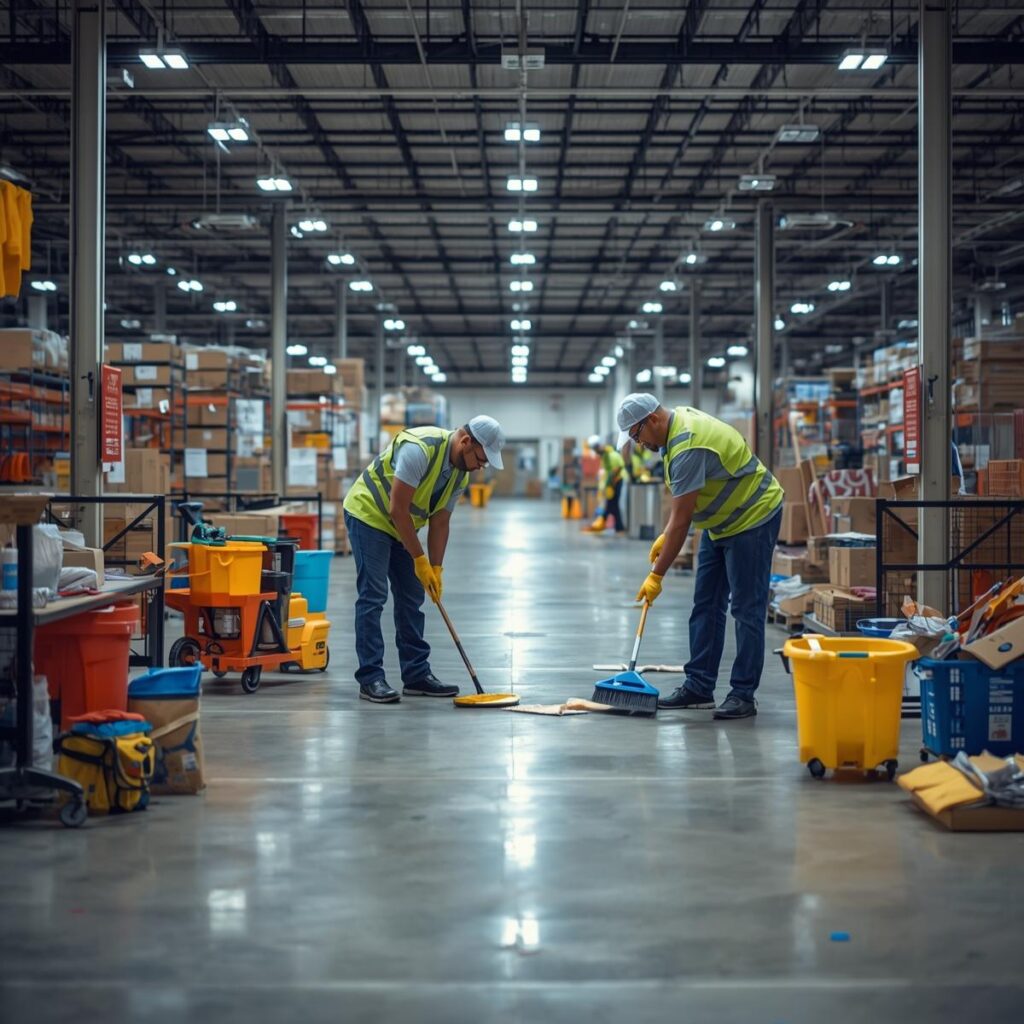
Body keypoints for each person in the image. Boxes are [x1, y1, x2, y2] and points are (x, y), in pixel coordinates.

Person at [616, 393, 783, 720]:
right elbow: (681, 511)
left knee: (746, 608)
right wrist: (666, 534)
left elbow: (681, 522)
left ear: (652, 420)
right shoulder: (672, 435)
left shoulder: (688, 445)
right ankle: (699, 686)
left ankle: (743, 694)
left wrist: (656, 575)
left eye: (637, 436)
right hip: (721, 523)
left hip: (752, 516)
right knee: (706, 603)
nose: (638, 444)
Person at [342, 416, 507, 703]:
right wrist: (419, 559)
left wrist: (436, 567)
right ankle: (371, 678)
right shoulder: (419, 449)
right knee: (373, 595)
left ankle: (416, 674)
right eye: (481, 458)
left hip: (401, 525)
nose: (482, 466)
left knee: (411, 596)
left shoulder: (460, 474)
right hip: (370, 515)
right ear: (465, 442)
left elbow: (441, 522)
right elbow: (398, 509)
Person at [586, 434, 626, 534]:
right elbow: (607, 471)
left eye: (596, 449)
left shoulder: (611, 455)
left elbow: (618, 468)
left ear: (599, 446)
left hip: (617, 481)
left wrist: (611, 483)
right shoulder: (604, 456)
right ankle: (616, 527)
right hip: (611, 483)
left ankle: (607, 524)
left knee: (612, 504)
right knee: (611, 504)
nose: (596, 452)